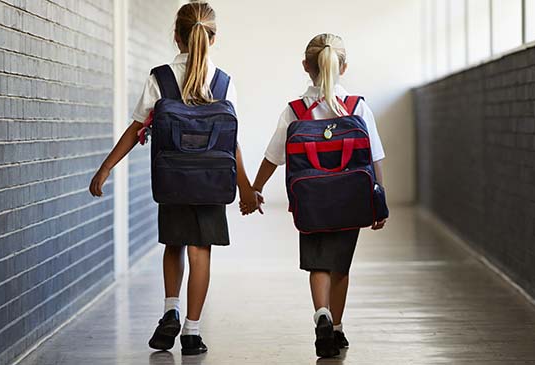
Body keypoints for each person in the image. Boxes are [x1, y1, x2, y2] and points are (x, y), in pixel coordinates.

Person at [89, 2, 261, 356]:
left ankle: (170, 309)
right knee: (201, 253)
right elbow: (233, 143)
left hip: (172, 180)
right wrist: (246, 188)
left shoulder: (161, 77)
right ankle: (192, 332)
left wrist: (106, 167)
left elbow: (136, 127)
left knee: (174, 245)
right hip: (213, 182)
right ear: (213, 39)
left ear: (176, 36)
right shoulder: (225, 82)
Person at [246, 33, 387, 358]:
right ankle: (336, 328)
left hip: (310, 201)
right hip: (351, 199)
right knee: (341, 266)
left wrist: (255, 188)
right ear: (344, 67)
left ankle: (321, 314)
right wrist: (379, 200)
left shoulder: (295, 110)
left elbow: (273, 155)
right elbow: (375, 156)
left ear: (306, 66)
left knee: (318, 264)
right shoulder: (357, 107)